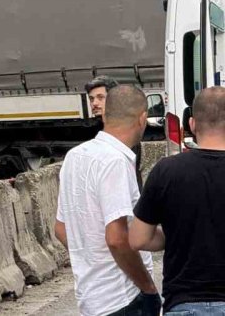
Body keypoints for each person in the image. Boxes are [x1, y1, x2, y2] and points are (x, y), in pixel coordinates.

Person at [55, 86, 159, 316]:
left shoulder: (75, 156)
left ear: (106, 115)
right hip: (122, 298)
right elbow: (116, 238)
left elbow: (61, 229)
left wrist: (92, 261)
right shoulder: (115, 162)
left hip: (90, 298)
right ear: (142, 119)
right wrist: (148, 287)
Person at [130, 86, 225, 315]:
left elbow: (137, 239)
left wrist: (174, 235)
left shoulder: (167, 171)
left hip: (183, 303)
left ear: (191, 124)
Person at [86, 76, 143, 186]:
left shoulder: (124, 131)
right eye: (91, 99)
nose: (94, 103)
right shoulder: (94, 128)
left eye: (100, 97)